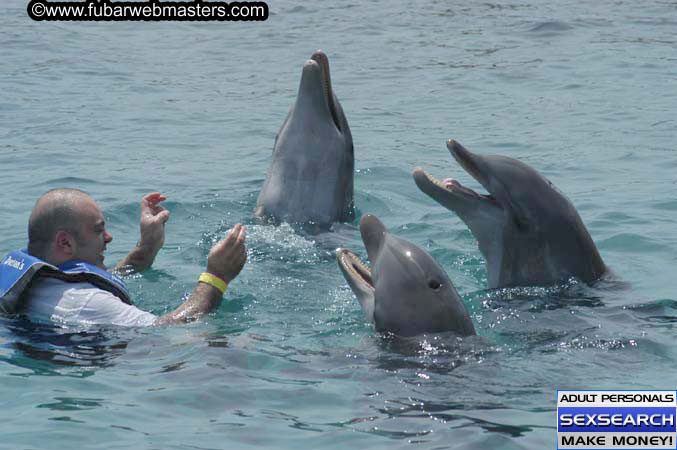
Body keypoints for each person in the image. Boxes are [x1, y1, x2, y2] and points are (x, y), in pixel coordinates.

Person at [0, 188, 246, 326]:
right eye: (98, 230)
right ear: (65, 242)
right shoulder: (83, 303)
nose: (108, 237)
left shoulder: (40, 278)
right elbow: (166, 329)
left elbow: (88, 280)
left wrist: (146, 249)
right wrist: (216, 277)